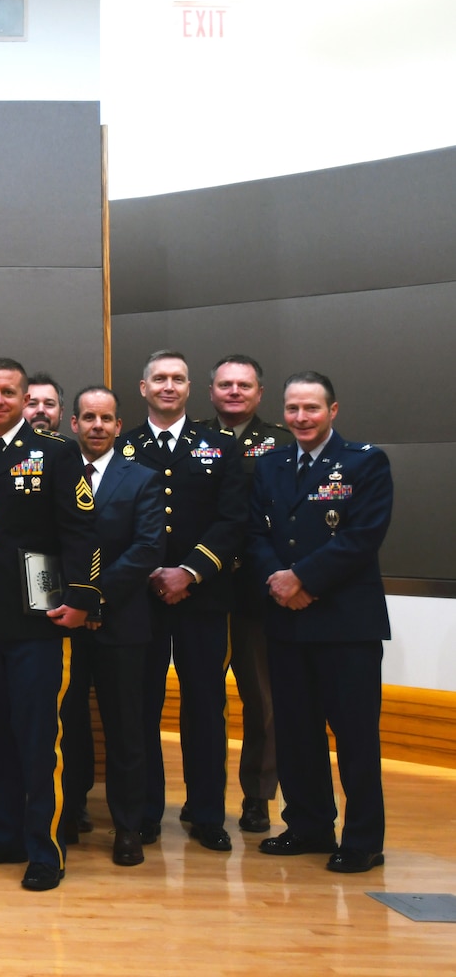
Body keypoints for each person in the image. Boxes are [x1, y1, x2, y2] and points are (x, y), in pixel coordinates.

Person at [0, 357, 101, 891]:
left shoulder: (55, 454)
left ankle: (43, 847)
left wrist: (82, 598)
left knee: (38, 739)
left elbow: (83, 532)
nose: (0, 400)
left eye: (11, 392)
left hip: (39, 622)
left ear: (26, 400)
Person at [250, 372, 393, 874]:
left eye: (311, 408)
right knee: (296, 733)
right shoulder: (269, 466)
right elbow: (255, 533)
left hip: (346, 625)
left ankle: (362, 841)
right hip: (287, 622)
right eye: (293, 409)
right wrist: (278, 580)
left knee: (355, 737)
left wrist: (303, 580)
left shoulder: (364, 461)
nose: (301, 418)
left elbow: (362, 537)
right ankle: (309, 826)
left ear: (333, 411)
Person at [120, 350, 246, 851]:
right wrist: (148, 572)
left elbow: (233, 519)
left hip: (203, 597)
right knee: (142, 706)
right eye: (159, 379)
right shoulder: (123, 448)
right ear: (143, 387)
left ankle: (208, 813)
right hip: (140, 599)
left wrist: (189, 571)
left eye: (177, 379)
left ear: (190, 388)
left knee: (205, 706)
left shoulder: (219, 446)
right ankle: (146, 811)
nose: (168, 386)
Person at [65, 385, 165, 866]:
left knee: (125, 729)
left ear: (118, 426)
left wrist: (93, 598)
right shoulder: (58, 475)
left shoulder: (142, 478)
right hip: (61, 623)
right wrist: (70, 603)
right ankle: (66, 814)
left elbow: (147, 548)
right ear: (74, 424)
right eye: (88, 418)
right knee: (66, 726)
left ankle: (127, 826)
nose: (97, 426)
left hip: (120, 622)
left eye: (106, 419)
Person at [203, 353, 293, 833]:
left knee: (261, 701)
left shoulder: (280, 442)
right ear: (211, 391)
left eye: (244, 385)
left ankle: (258, 796)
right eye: (225, 384)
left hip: (256, 594)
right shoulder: (194, 439)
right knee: (202, 699)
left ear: (260, 393)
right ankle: (203, 798)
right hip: (202, 591)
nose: (234, 392)